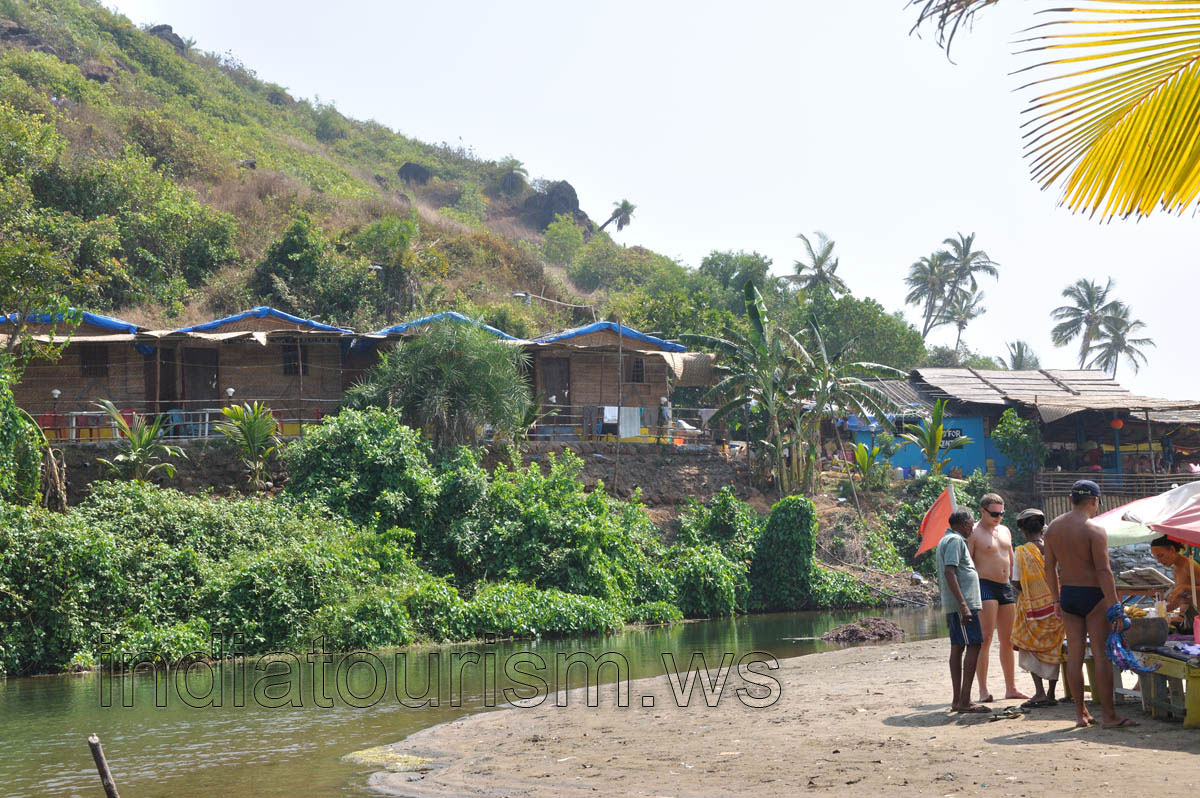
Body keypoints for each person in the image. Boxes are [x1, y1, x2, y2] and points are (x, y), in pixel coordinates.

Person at [1044, 479, 1139, 728]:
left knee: (1074, 656)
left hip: (1068, 596)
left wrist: (1056, 599)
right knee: (1101, 655)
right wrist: (1116, 607)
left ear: (1070, 499)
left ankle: (1080, 714)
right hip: (1094, 596)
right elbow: (1104, 572)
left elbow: (1049, 569)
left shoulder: (1052, 528)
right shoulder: (1094, 529)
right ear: (1094, 501)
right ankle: (1108, 715)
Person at [970, 492, 1027, 701]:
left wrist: (1021, 586)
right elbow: (966, 564)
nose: (998, 517)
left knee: (1008, 640)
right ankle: (983, 689)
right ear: (983, 511)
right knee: (985, 638)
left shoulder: (1005, 530)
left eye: (1001, 513)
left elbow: (1011, 561)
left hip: (1005, 586)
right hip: (983, 584)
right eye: (994, 513)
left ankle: (1011, 687)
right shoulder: (974, 532)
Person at [1010, 508, 1064, 709]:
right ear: (1043, 528)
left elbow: (1016, 582)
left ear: (1023, 530)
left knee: (1030, 645)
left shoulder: (1022, 552)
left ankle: (1039, 692)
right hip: (1055, 606)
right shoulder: (1052, 548)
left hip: (1031, 608)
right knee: (1054, 647)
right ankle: (1050, 693)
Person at [937, 508, 987, 713]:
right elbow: (950, 572)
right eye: (971, 524)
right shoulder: (956, 541)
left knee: (958, 647)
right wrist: (964, 605)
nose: (973, 529)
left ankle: (958, 700)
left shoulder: (947, 540)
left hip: (956, 605)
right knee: (973, 644)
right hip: (962, 605)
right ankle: (964, 701)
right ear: (963, 524)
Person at [1150, 536, 1200, 631]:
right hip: (1188, 619)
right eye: (1157, 558)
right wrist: (1164, 608)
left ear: (1172, 549)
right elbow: (1184, 599)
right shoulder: (1176, 568)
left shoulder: (1189, 565)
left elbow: (1188, 591)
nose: (1159, 561)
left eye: (1161, 556)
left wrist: (1185, 587)